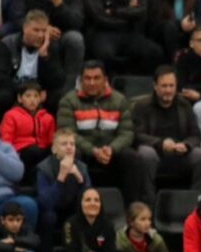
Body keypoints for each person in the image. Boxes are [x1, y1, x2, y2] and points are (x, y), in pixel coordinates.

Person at [56, 60, 145, 203]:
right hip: (84, 152)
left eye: (96, 78)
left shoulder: (120, 100)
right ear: (81, 80)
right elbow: (68, 134)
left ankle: (132, 211)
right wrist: (93, 151)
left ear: (105, 80)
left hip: (110, 152)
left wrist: (111, 148)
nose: (91, 82)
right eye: (87, 78)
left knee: (132, 158)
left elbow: (127, 133)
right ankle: (73, 210)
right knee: (70, 154)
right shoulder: (68, 101)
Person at [133, 64, 201, 191]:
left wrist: (186, 145)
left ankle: (195, 201)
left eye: (171, 86)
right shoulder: (142, 106)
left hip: (180, 153)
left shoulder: (184, 105)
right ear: (155, 86)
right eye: (164, 86)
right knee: (146, 154)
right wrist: (160, 143)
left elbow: (196, 135)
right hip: (155, 151)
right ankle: (149, 202)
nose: (168, 90)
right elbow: (137, 135)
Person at [82, 0, 164, 75]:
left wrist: (115, 11)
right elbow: (99, 17)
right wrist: (129, 12)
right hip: (103, 33)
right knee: (104, 55)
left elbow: (142, 10)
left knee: (154, 51)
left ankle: (141, 86)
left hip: (128, 33)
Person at [15, 0, 85, 88]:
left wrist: (59, 3)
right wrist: (44, 29)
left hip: (61, 34)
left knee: (75, 39)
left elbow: (77, 22)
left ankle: (69, 89)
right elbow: (18, 18)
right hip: (35, 34)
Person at [0, 9, 66, 113]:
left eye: (44, 31)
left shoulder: (50, 47)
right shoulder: (7, 44)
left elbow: (57, 81)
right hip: (15, 91)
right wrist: (27, 92)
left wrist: (45, 57)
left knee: (59, 96)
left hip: (39, 92)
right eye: (36, 30)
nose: (40, 35)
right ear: (25, 28)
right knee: (3, 96)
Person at [35, 128, 89, 252]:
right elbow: (46, 203)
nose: (69, 147)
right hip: (52, 211)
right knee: (49, 217)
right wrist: (61, 177)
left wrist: (80, 178)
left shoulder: (81, 167)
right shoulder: (44, 168)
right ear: (54, 149)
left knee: (81, 216)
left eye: (72, 144)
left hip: (73, 209)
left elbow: (90, 197)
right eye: (64, 144)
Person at [0, 81, 55, 182]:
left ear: (40, 98)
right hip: (20, 153)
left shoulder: (48, 117)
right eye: (28, 96)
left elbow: (52, 140)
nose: (32, 100)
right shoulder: (11, 115)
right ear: (20, 98)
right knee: (34, 152)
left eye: (36, 96)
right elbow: (6, 140)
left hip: (41, 152)